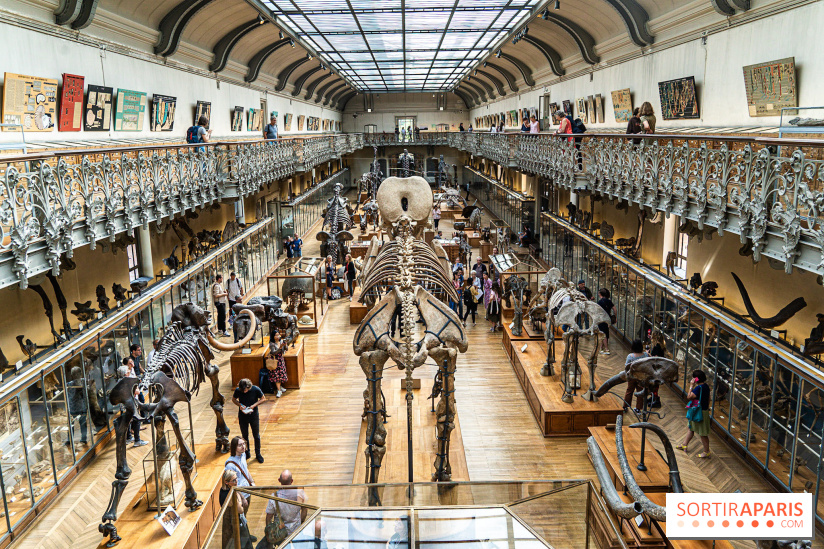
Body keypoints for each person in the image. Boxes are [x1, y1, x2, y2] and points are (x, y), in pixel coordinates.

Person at [677, 370, 711, 458]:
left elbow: (689, 397)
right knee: (691, 428)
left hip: (699, 412)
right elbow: (709, 398)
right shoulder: (706, 386)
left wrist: (691, 386)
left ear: (696, 379)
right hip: (703, 410)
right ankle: (685, 444)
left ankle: (706, 451)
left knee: (703, 433)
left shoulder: (698, 388)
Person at [232, 380, 266, 463]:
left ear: (249, 386)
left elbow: (263, 399)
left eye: (246, 390)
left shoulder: (255, 389)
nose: (244, 392)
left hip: (253, 415)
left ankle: (258, 454)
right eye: (243, 390)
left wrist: (253, 406)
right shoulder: (238, 390)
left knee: (256, 436)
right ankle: (247, 453)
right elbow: (234, 399)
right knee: (244, 436)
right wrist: (240, 405)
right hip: (242, 416)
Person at [266, 470, 308, 536]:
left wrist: (270, 534)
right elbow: (304, 510)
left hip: (280, 533)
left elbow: (269, 518)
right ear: (291, 481)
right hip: (296, 531)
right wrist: (301, 523)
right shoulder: (300, 493)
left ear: (279, 480)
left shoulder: (274, 497)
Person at [220, 468, 253, 549]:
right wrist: (240, 500)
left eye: (236, 478)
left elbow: (236, 490)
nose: (236, 481)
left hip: (233, 520)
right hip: (234, 522)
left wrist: (242, 497)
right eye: (233, 480)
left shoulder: (226, 488)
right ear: (226, 482)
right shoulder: (230, 495)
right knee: (239, 544)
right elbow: (240, 510)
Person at [623, 340, 650, 412]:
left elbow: (626, 366)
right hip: (641, 377)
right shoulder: (645, 355)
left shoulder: (630, 356)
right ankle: (638, 408)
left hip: (632, 376)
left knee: (629, 390)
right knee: (640, 391)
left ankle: (625, 406)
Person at [67, 366, 88, 446]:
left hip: (81, 407)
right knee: (71, 424)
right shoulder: (69, 384)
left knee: (82, 423)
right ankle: (70, 439)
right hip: (73, 407)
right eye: (74, 374)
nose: (75, 376)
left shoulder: (83, 382)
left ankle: (83, 438)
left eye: (76, 374)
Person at [265, 331, 289, 398]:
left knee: (280, 374)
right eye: (276, 335)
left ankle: (280, 387)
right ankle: (279, 390)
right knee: (276, 375)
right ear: (273, 336)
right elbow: (273, 352)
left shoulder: (281, 342)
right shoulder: (272, 344)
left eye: (278, 335)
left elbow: (286, 349)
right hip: (275, 360)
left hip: (281, 360)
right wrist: (280, 347)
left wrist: (285, 345)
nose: (278, 336)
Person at [596, 289, 615, 355]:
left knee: (603, 334)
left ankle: (606, 349)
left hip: (601, 319)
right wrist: (615, 316)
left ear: (601, 294)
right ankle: (601, 347)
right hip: (607, 319)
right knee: (604, 332)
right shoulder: (609, 301)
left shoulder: (600, 302)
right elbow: (614, 309)